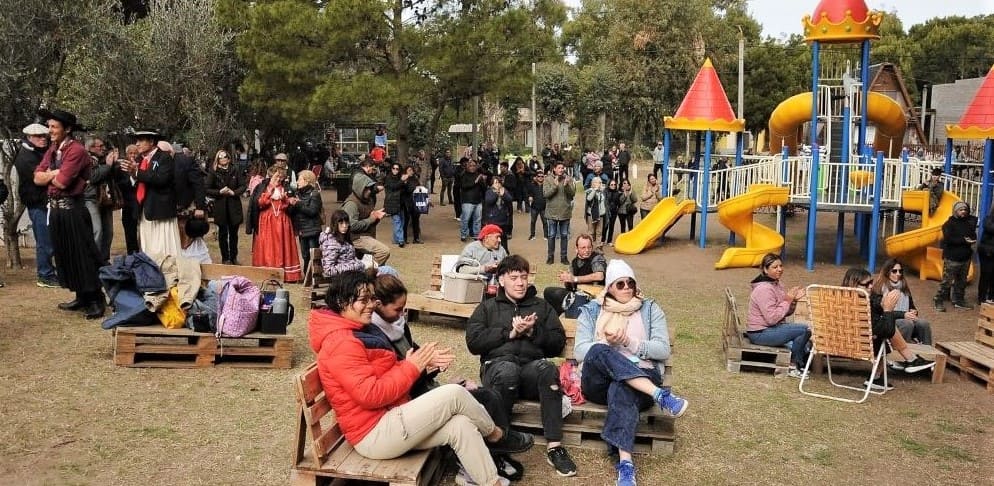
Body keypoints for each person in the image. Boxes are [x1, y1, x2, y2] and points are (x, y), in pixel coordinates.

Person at [309, 270, 526, 486]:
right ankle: (496, 435)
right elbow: (370, 395)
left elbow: (382, 375)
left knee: (461, 425)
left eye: (372, 298)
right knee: (454, 394)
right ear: (341, 302)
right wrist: (411, 367)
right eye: (363, 300)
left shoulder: (357, 330)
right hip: (374, 433)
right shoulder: (341, 342)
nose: (371, 305)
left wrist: (415, 364)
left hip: (388, 418)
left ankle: (491, 482)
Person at [370, 274, 532, 483]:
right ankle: (494, 446)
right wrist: (424, 368)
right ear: (378, 305)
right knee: (473, 401)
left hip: (423, 389)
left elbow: (417, 358)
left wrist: (432, 363)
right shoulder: (377, 338)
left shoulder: (398, 326)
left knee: (488, 396)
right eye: (397, 309)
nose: (402, 314)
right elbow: (396, 381)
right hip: (409, 403)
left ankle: (496, 454)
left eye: (404, 308)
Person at [573, 259, 688, 486]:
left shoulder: (650, 309)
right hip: (598, 382)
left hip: (640, 376)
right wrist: (607, 342)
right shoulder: (592, 310)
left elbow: (662, 349)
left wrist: (629, 342)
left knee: (622, 386)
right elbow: (579, 352)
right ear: (609, 288)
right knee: (598, 349)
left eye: (630, 283)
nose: (627, 288)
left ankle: (626, 465)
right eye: (620, 284)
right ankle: (660, 395)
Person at [465, 255, 577, 477]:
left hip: (529, 371)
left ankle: (555, 447)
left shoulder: (541, 307)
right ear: (501, 280)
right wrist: (510, 333)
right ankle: (499, 445)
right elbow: (474, 342)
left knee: (548, 370)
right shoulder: (488, 307)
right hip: (498, 369)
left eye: (523, 277)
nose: (520, 283)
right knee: (508, 371)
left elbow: (557, 343)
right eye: (514, 277)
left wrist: (533, 332)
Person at [33, 108, 105, 319]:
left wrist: (50, 175)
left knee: (83, 254)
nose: (50, 130)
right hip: (56, 210)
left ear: (67, 129)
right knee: (66, 254)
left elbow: (62, 182)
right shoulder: (53, 149)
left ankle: (95, 299)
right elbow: (36, 177)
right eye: (49, 126)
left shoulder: (76, 150)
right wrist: (53, 173)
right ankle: (81, 296)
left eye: (54, 127)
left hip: (73, 210)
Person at [843, 268, 936, 383]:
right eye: (866, 284)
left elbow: (876, 307)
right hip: (861, 344)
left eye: (871, 282)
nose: (871, 286)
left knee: (886, 328)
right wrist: (888, 309)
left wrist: (901, 314)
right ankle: (911, 359)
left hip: (841, 342)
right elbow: (887, 330)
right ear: (853, 285)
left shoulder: (842, 301)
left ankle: (877, 378)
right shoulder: (862, 306)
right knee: (887, 330)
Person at [745, 253, 811, 377]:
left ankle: (798, 363)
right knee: (804, 330)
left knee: (806, 338)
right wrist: (788, 299)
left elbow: (783, 312)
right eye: (775, 267)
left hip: (771, 328)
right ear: (765, 270)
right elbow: (772, 319)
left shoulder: (777, 284)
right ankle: (792, 366)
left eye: (781, 266)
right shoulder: (764, 289)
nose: (780, 269)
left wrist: (793, 301)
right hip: (760, 333)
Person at [122, 129, 182, 258]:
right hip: (144, 210)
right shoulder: (139, 159)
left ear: (151, 141)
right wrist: (133, 175)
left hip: (160, 211)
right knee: (147, 247)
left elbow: (161, 179)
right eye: (136, 141)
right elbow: (136, 183)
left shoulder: (164, 157)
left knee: (163, 248)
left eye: (141, 140)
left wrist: (137, 172)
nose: (137, 144)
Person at [13, 122, 58, 287]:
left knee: (50, 239)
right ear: (29, 137)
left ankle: (49, 271)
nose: (43, 139)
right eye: (38, 136)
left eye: (44, 136)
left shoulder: (40, 152)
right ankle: (44, 275)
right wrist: (54, 173)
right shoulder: (25, 156)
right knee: (44, 241)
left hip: (44, 201)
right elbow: (40, 178)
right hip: (37, 202)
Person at [252, 166, 302, 282]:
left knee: (283, 245)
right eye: (276, 176)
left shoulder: (284, 188)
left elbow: (285, 206)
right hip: (267, 221)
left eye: (280, 177)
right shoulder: (264, 187)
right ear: (271, 176)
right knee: (268, 246)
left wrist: (286, 200)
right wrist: (270, 191)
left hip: (282, 220)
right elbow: (261, 203)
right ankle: (268, 272)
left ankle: (287, 274)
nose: (278, 179)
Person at [870, 259, 933, 346]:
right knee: (907, 324)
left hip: (905, 317)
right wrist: (903, 315)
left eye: (900, 271)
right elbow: (881, 311)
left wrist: (913, 311)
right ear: (887, 272)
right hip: (887, 320)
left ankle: (927, 350)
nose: (898, 274)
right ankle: (903, 349)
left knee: (923, 324)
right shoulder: (879, 288)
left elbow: (911, 306)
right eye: (894, 271)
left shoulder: (903, 286)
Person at [341, 159, 390, 265]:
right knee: (383, 251)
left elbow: (368, 219)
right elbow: (351, 226)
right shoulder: (351, 204)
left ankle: (367, 269)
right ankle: (367, 271)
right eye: (367, 189)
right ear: (360, 188)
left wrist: (375, 217)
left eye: (370, 188)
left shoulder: (366, 200)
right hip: (356, 238)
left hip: (365, 235)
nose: (369, 191)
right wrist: (371, 219)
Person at [544, 234, 607, 316]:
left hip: (592, 297)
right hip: (576, 294)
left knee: (572, 313)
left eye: (589, 247)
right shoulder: (574, 262)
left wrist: (575, 279)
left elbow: (599, 276)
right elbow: (571, 287)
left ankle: (571, 312)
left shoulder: (596, 258)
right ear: (576, 249)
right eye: (583, 248)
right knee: (549, 292)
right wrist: (567, 279)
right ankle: (556, 317)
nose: (587, 250)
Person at [205, 149, 246, 265]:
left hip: (234, 205)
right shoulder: (213, 172)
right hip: (220, 206)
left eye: (225, 157)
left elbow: (243, 185)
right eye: (220, 157)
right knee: (223, 234)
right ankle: (225, 258)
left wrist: (234, 192)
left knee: (234, 234)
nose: (223, 159)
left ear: (228, 158)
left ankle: (233, 257)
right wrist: (219, 192)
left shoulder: (235, 170)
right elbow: (207, 189)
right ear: (217, 160)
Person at [934, 201, 976, 311]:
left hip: (965, 257)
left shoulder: (968, 223)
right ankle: (938, 299)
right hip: (952, 258)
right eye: (961, 210)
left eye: (965, 210)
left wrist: (971, 240)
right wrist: (964, 240)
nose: (963, 212)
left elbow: (973, 235)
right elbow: (948, 239)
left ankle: (959, 300)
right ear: (955, 211)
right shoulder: (949, 224)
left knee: (962, 281)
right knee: (947, 281)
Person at [289, 170, 323, 276]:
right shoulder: (297, 193)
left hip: (312, 230)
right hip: (302, 230)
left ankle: (315, 275)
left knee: (314, 255)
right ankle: (307, 275)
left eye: (299, 180)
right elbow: (292, 212)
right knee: (305, 255)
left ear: (307, 181)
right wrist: (291, 204)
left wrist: (298, 204)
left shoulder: (314, 194)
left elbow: (312, 211)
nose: (297, 182)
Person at [543, 161, 575, 265]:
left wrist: (566, 186)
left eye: (562, 168)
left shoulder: (568, 179)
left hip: (565, 212)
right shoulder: (548, 179)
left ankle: (564, 257)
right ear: (554, 169)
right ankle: (550, 257)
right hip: (552, 213)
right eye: (559, 168)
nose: (561, 170)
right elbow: (546, 194)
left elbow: (572, 194)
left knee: (564, 235)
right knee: (551, 235)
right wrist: (555, 186)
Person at [319, 210, 366, 277]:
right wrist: (354, 266)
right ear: (335, 224)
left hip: (352, 274)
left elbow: (351, 259)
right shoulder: (331, 243)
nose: (344, 226)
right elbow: (329, 270)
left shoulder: (345, 239)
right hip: (341, 278)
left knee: (379, 272)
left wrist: (359, 264)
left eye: (346, 223)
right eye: (341, 223)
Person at [459, 159, 487, 242]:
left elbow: (484, 188)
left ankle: (476, 235)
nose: (472, 167)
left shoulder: (478, 175)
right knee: (466, 219)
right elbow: (464, 186)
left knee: (477, 220)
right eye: (470, 166)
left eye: (474, 166)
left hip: (478, 201)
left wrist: (483, 181)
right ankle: (464, 234)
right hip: (467, 201)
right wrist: (476, 181)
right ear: (467, 166)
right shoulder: (464, 175)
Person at [483, 176, 513, 252]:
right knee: (493, 237)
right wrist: (497, 193)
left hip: (503, 219)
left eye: (498, 182)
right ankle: (492, 251)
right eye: (495, 182)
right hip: (492, 219)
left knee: (503, 238)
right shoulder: (489, 191)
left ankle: (505, 252)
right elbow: (489, 201)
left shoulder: (504, 190)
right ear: (492, 184)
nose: (497, 184)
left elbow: (509, 199)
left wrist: (503, 194)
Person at [383, 162, 407, 247]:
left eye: (397, 169)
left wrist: (404, 183)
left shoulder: (400, 178)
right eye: (394, 168)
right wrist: (402, 181)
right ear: (391, 169)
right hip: (392, 203)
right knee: (397, 222)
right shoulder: (388, 178)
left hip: (401, 203)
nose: (395, 170)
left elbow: (404, 189)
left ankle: (396, 239)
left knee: (402, 222)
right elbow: (393, 187)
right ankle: (401, 240)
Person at [402, 165, 425, 245]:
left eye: (412, 170)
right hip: (407, 203)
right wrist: (415, 188)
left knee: (416, 221)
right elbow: (406, 190)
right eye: (409, 170)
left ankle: (416, 238)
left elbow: (419, 189)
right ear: (406, 171)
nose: (411, 172)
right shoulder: (404, 179)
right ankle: (404, 238)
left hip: (415, 202)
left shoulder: (415, 179)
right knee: (406, 221)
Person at [978, 205, 994, 305]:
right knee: (986, 274)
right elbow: (990, 228)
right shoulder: (988, 219)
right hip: (987, 251)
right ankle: (982, 297)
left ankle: (991, 297)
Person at [526, 172, 547, 241]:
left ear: (544, 177)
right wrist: (530, 197)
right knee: (533, 221)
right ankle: (532, 235)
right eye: (539, 176)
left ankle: (546, 235)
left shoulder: (546, 185)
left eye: (542, 176)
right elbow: (529, 193)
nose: (540, 177)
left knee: (545, 222)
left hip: (544, 207)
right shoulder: (532, 185)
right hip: (534, 207)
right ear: (536, 177)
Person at [585, 177, 606, 246]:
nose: (599, 184)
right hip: (591, 215)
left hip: (601, 215)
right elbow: (589, 199)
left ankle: (598, 246)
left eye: (600, 182)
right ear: (593, 183)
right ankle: (589, 246)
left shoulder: (602, 192)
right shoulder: (590, 191)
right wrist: (594, 190)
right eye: (597, 182)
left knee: (599, 232)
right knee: (591, 232)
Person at [602, 179, 620, 246]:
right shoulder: (605, 191)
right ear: (609, 185)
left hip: (614, 211)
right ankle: (603, 240)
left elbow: (618, 202)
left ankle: (609, 241)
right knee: (605, 226)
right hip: (606, 211)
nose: (613, 186)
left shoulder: (617, 192)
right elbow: (605, 201)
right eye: (611, 184)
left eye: (614, 184)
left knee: (611, 226)